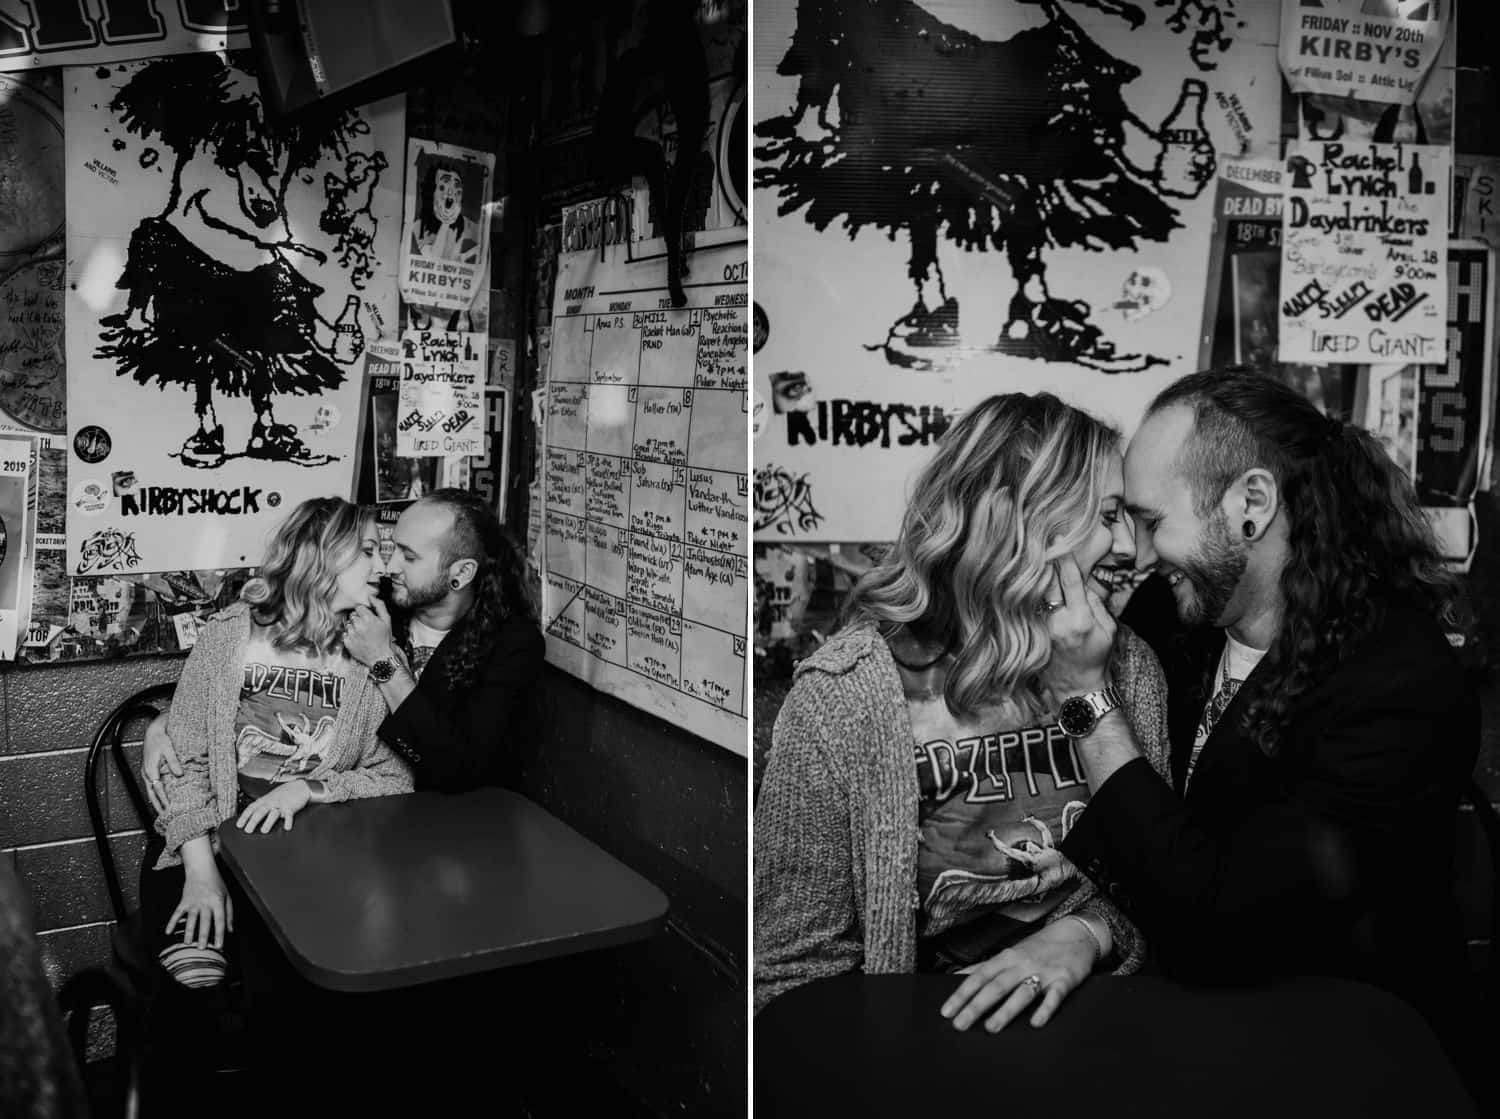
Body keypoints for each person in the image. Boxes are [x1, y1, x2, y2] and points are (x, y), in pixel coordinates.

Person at [1051, 370, 1478, 1068]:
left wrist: (1087, 700)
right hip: (1195, 1038)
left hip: (1350, 1060)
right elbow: (1143, 839)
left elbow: (1222, 926)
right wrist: (1085, 930)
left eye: (1153, 522)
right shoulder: (1174, 613)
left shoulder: (1397, 681)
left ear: (1251, 502)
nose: (1138, 552)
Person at [755, 392, 1172, 1032]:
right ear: (1021, 521)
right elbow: (793, 969)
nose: (1128, 547)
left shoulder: (1129, 667)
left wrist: (1087, 932)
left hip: (1101, 1030)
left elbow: (1162, 893)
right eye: (1108, 516)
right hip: (923, 1044)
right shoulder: (844, 695)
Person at [141, 497, 413, 993]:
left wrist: (309, 788)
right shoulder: (229, 635)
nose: (382, 567)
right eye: (369, 551)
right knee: (197, 982)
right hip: (211, 845)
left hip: (316, 860)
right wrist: (202, 872)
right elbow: (186, 762)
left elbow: (394, 776)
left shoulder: (374, 657)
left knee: (326, 979)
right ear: (321, 555)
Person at [143, 489, 542, 800]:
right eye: (386, 549)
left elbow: (459, 770)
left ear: (461, 573)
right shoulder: (375, 603)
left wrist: (382, 661)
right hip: (343, 818)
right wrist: (167, 725)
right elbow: (259, 679)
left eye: (408, 556)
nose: (388, 567)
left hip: (444, 823)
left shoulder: (511, 643)